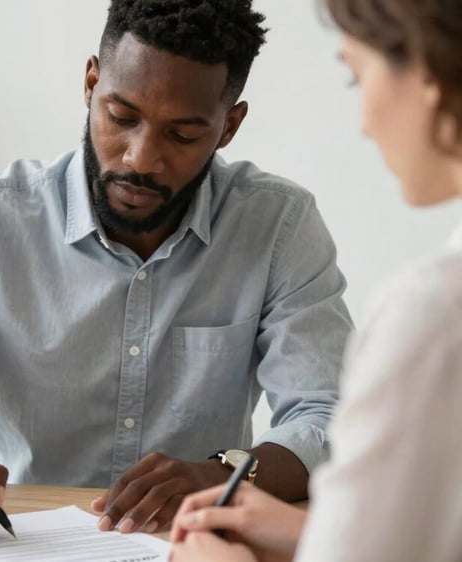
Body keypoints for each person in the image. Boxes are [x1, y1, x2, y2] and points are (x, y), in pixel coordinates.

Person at [0, 0, 353, 539]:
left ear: (229, 127)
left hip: (193, 549)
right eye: (122, 117)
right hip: (17, 547)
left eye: (182, 135)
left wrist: (222, 475)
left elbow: (334, 419)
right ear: (90, 83)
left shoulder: (278, 227)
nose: (140, 159)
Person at [169, 0, 462, 561]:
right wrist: (311, 537)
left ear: (427, 75)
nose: (365, 123)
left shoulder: (432, 313)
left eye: (357, 76)